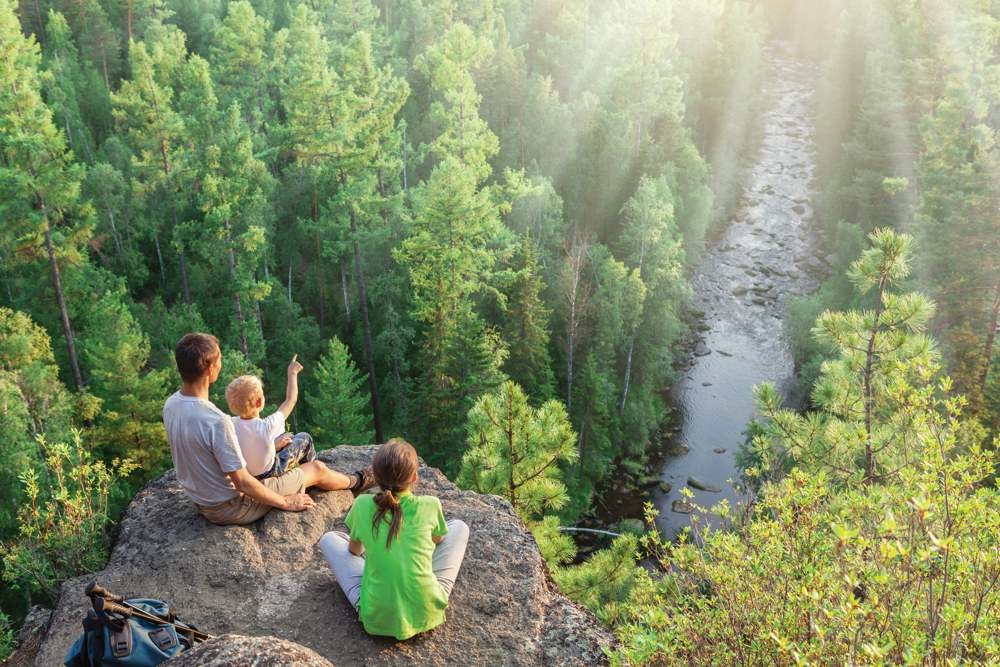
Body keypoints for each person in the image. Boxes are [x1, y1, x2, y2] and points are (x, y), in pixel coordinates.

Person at [163, 332, 373, 525]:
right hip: (232, 506)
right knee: (317, 468)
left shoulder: (172, 404)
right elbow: (243, 483)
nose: (221, 363)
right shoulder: (216, 421)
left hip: (201, 500)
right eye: (219, 359)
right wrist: (284, 502)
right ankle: (359, 480)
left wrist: (271, 446)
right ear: (210, 369)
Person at [319, 439, 470, 640]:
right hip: (427, 609)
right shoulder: (430, 505)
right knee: (459, 527)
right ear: (414, 477)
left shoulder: (362, 504)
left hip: (377, 615)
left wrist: (377, 549)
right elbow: (440, 539)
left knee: (329, 539)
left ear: (376, 477)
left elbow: (354, 551)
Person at [225, 355, 316, 480]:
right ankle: (312, 475)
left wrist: (273, 446)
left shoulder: (230, 424)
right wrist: (292, 373)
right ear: (259, 403)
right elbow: (290, 400)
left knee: (279, 439)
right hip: (270, 472)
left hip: (247, 475)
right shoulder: (267, 426)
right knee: (305, 438)